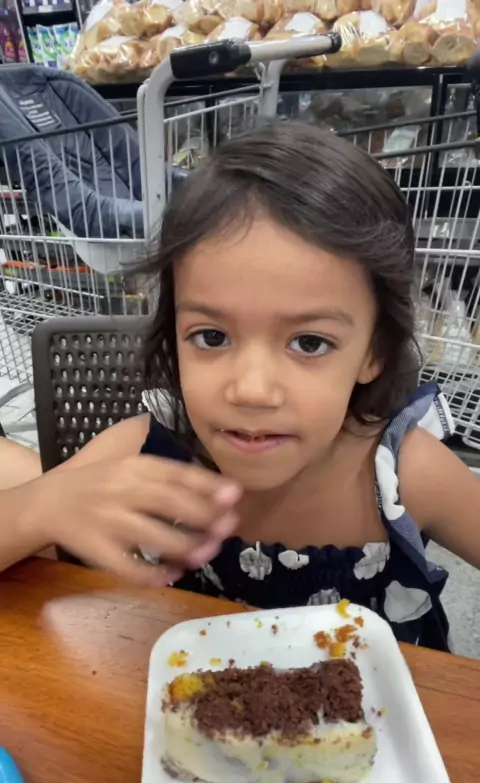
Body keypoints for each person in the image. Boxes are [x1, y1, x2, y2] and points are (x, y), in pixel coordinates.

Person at [2, 122, 480, 650]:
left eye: (310, 343)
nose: (252, 390)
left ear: (374, 352)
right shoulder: (152, 451)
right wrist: (40, 505)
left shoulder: (405, 475)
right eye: (211, 336)